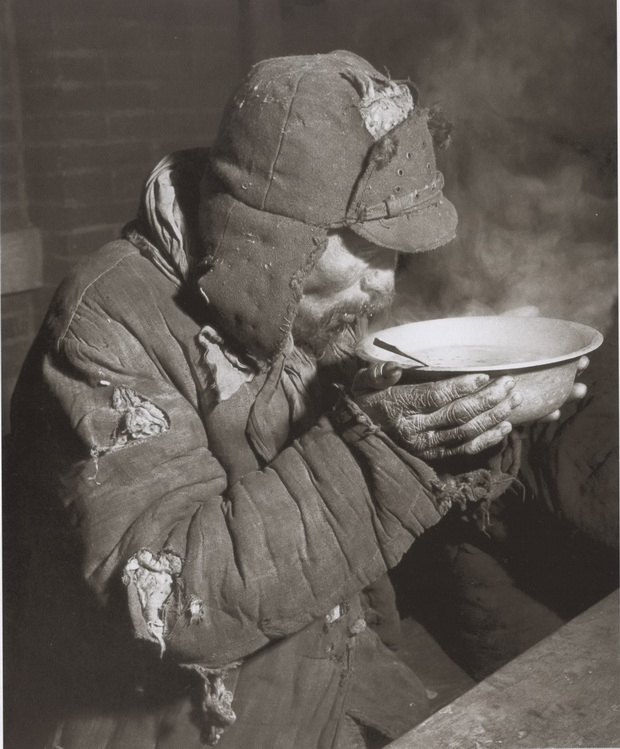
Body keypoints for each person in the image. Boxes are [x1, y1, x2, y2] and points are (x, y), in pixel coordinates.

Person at [6, 51, 587, 749]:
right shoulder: (104, 325)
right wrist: (389, 450)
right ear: (277, 238)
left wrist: (468, 423)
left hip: (325, 672)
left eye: (396, 255)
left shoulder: (289, 309)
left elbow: (336, 531)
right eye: (368, 249)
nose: (387, 288)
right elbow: (168, 600)